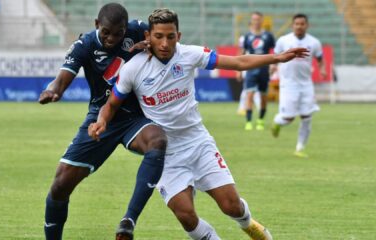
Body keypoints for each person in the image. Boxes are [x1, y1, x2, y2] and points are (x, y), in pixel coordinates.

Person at [88, 8, 308, 240]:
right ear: (148, 37)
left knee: (231, 206)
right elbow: (111, 104)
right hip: (165, 154)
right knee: (186, 215)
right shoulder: (133, 68)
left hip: (198, 143)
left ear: (178, 36)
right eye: (158, 36)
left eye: (170, 36)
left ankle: (250, 225)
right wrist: (100, 121)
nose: (164, 43)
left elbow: (239, 61)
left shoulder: (190, 55)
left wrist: (277, 57)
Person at [39, 3, 167, 240]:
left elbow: (165, 40)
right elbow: (63, 77)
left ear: (125, 28)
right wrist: (53, 91)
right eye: (106, 32)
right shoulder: (84, 44)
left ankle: (128, 221)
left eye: (118, 33)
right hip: (100, 117)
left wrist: (151, 44)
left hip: (135, 116)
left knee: (157, 141)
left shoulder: (138, 30)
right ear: (97, 25)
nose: (112, 38)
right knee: (60, 185)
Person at [271, 13, 326, 158]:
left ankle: (300, 148)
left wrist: (322, 69)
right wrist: (272, 68)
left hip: (306, 85)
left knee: (307, 117)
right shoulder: (284, 41)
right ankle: (277, 122)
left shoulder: (314, 42)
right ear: (292, 25)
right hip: (288, 85)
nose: (299, 26)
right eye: (297, 24)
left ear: (307, 25)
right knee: (288, 118)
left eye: (302, 24)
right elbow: (275, 57)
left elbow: (320, 58)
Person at [236, 11, 275, 130]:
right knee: (249, 95)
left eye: (258, 19)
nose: (256, 21)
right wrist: (238, 70)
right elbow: (241, 53)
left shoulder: (268, 36)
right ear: (251, 21)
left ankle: (260, 121)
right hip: (251, 68)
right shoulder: (247, 37)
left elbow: (274, 51)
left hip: (264, 69)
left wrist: (274, 65)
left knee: (263, 96)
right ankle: (248, 122)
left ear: (262, 21)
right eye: (254, 19)